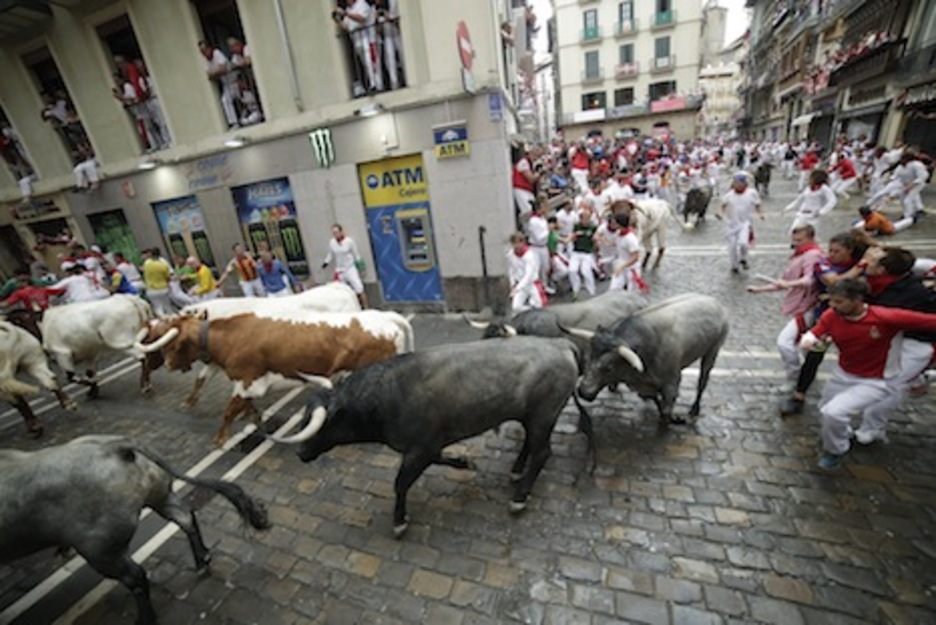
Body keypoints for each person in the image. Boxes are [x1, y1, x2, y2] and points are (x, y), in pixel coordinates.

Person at [800, 279, 936, 469]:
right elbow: (817, 331)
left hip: (875, 380)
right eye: (831, 301)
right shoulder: (832, 315)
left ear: (857, 300)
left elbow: (928, 321)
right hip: (843, 374)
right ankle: (843, 433)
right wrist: (808, 339)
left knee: (833, 412)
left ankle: (835, 451)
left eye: (839, 301)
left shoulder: (885, 317)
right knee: (825, 409)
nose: (833, 305)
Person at [779, 231, 870, 416]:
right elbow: (834, 281)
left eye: (837, 251)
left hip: (858, 320)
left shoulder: (862, 266)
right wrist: (859, 269)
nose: (831, 254)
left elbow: (866, 289)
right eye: (830, 250)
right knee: (814, 354)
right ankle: (799, 395)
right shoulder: (824, 264)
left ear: (849, 251)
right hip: (827, 319)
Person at [858, 247, 936, 440]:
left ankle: (872, 428)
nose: (864, 262)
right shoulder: (884, 282)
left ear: (882, 270)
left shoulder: (903, 294)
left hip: (917, 343)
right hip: (897, 340)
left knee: (889, 385)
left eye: (870, 261)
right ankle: (920, 377)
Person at [747, 225, 824, 387]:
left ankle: (796, 376)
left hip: (806, 306)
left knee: (785, 342)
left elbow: (809, 280)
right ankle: (805, 375)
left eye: (799, 240)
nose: (796, 243)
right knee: (802, 345)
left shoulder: (812, 255)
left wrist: (788, 283)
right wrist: (760, 290)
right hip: (800, 305)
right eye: (794, 240)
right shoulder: (800, 255)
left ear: (810, 238)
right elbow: (782, 283)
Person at [718, 174, 764, 274]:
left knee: (743, 243)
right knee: (732, 246)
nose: (738, 185)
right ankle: (734, 266)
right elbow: (722, 206)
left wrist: (760, 214)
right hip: (731, 225)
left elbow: (757, 204)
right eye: (736, 183)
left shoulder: (751, 193)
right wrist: (720, 214)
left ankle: (743, 258)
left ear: (745, 184)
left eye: (740, 183)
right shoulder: (729, 195)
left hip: (745, 223)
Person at [322, 224, 368, 308]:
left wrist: (361, 267)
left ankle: (366, 307)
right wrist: (326, 263)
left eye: (337, 232)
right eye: (333, 233)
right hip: (340, 270)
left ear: (341, 231)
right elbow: (330, 254)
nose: (335, 234)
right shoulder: (332, 242)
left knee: (359, 288)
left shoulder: (349, 241)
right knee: (341, 291)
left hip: (350, 268)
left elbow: (356, 254)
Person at [198, 40, 240, 129]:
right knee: (225, 100)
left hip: (235, 80)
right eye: (202, 52)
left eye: (205, 50)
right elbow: (209, 75)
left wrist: (216, 73)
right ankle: (234, 123)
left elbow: (223, 69)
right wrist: (217, 73)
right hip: (226, 84)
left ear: (209, 48)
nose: (204, 53)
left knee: (245, 100)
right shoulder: (205, 60)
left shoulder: (217, 53)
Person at [784, 168, 836, 234]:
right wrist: (789, 207)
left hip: (813, 216)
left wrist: (822, 211)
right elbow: (800, 199)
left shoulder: (824, 188)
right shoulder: (808, 187)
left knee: (810, 235)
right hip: (802, 214)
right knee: (793, 232)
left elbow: (832, 201)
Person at [507, 232, 545, 313]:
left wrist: (517, 288)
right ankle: (529, 313)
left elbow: (529, 275)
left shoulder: (529, 255)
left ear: (523, 243)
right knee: (516, 307)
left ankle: (534, 312)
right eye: (514, 243)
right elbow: (511, 270)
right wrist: (512, 283)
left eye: (518, 243)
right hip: (520, 283)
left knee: (540, 306)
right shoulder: (510, 255)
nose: (516, 246)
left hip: (532, 283)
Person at [609, 212, 646, 292]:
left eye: (613, 223)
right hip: (621, 264)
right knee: (614, 288)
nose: (611, 224)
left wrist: (622, 266)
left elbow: (635, 257)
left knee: (632, 291)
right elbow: (615, 244)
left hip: (632, 268)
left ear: (620, 224)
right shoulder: (618, 233)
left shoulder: (631, 239)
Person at [568, 206, 598, 299]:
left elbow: (596, 239)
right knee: (572, 270)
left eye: (587, 218)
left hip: (587, 253)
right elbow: (572, 238)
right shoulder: (576, 226)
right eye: (584, 218)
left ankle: (591, 291)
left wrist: (595, 245)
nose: (585, 220)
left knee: (585, 271)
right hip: (576, 252)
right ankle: (575, 290)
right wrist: (574, 236)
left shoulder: (593, 227)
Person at [0, 270, 65, 311]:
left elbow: (6, 304)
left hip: (35, 315)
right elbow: (60, 290)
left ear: (24, 282)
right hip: (49, 311)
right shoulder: (42, 289)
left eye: (18, 282)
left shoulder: (19, 293)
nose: (16, 284)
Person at [525, 199, 552, 293]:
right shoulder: (533, 221)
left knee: (545, 267)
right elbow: (538, 237)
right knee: (537, 268)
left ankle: (545, 285)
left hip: (543, 247)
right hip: (536, 247)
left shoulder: (543, 219)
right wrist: (548, 230)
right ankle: (536, 288)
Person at [142, 248, 174, 316]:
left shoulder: (146, 263)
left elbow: (144, 271)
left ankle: (162, 320)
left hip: (151, 289)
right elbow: (168, 277)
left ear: (151, 255)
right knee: (168, 307)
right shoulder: (163, 264)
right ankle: (172, 320)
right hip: (163, 288)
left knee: (158, 308)